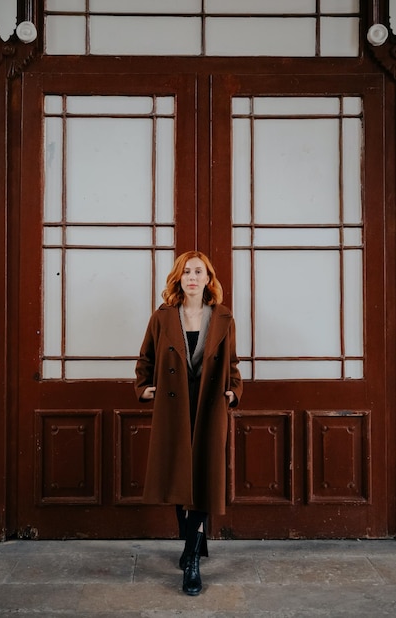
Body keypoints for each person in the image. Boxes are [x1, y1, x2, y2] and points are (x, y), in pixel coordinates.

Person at [134, 251, 243, 596]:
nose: (192, 277)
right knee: (180, 477)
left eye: (199, 271)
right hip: (174, 407)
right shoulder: (163, 317)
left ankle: (191, 558)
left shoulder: (223, 317)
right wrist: (143, 387)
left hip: (209, 407)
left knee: (203, 477)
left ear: (209, 278)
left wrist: (233, 392)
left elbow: (234, 364)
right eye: (186, 272)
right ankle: (194, 542)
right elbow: (145, 357)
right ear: (178, 279)